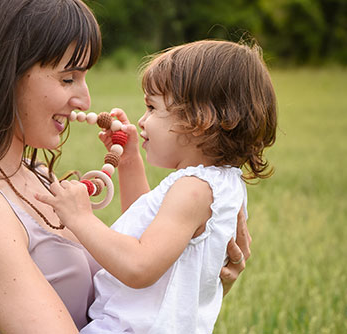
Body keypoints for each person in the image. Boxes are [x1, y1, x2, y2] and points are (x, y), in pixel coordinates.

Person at [0, 0, 251, 332]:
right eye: (68, 77)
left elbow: (131, 262)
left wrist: (203, 278)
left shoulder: (36, 177)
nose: (84, 98)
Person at [37, 39, 276, 334]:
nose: (142, 120)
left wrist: (80, 218)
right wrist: (129, 161)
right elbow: (147, 229)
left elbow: (139, 266)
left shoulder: (194, 189)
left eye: (152, 107)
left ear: (199, 120)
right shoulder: (218, 184)